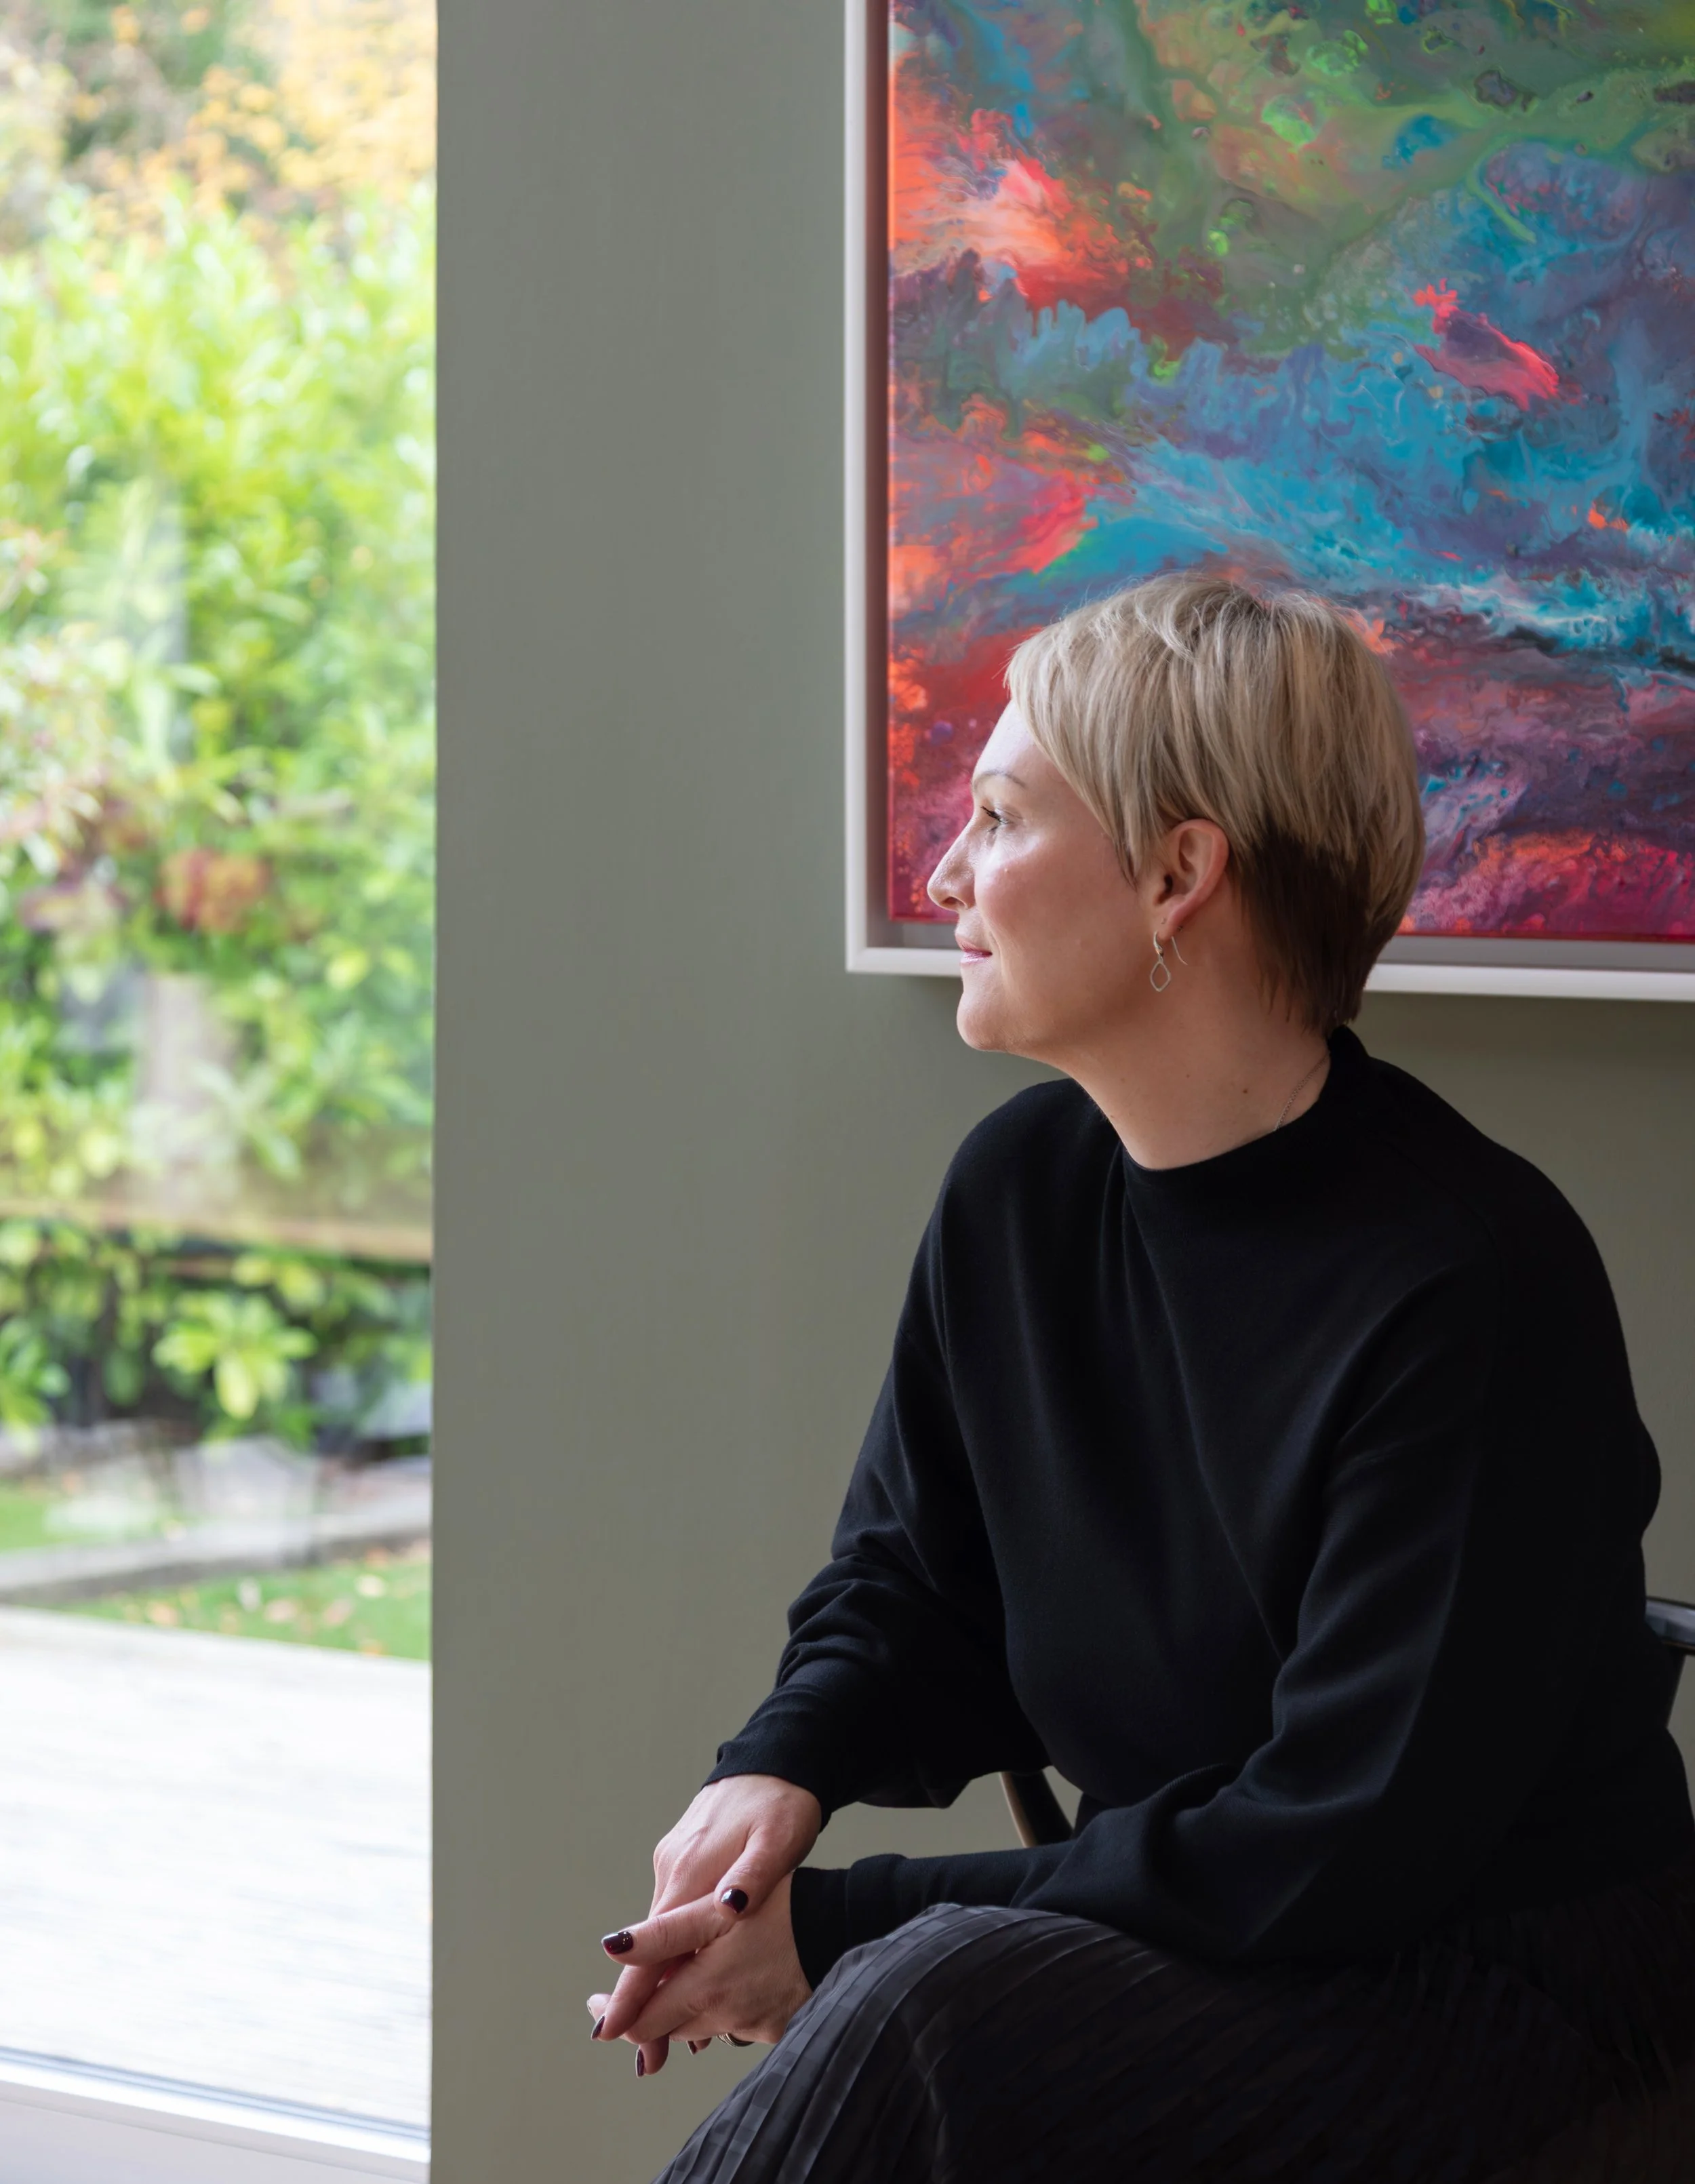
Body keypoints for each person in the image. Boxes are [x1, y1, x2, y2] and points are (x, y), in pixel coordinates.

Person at [587, 575, 1695, 2181]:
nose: (943, 869)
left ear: (1179, 872)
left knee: (922, 2006)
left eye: (999, 815)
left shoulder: (1468, 1280)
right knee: (927, 2000)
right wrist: (783, 1764)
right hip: (1202, 1932)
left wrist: (835, 1927)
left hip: (1498, 1992)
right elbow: (913, 1585)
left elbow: (1340, 1841)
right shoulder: (1019, 1192)